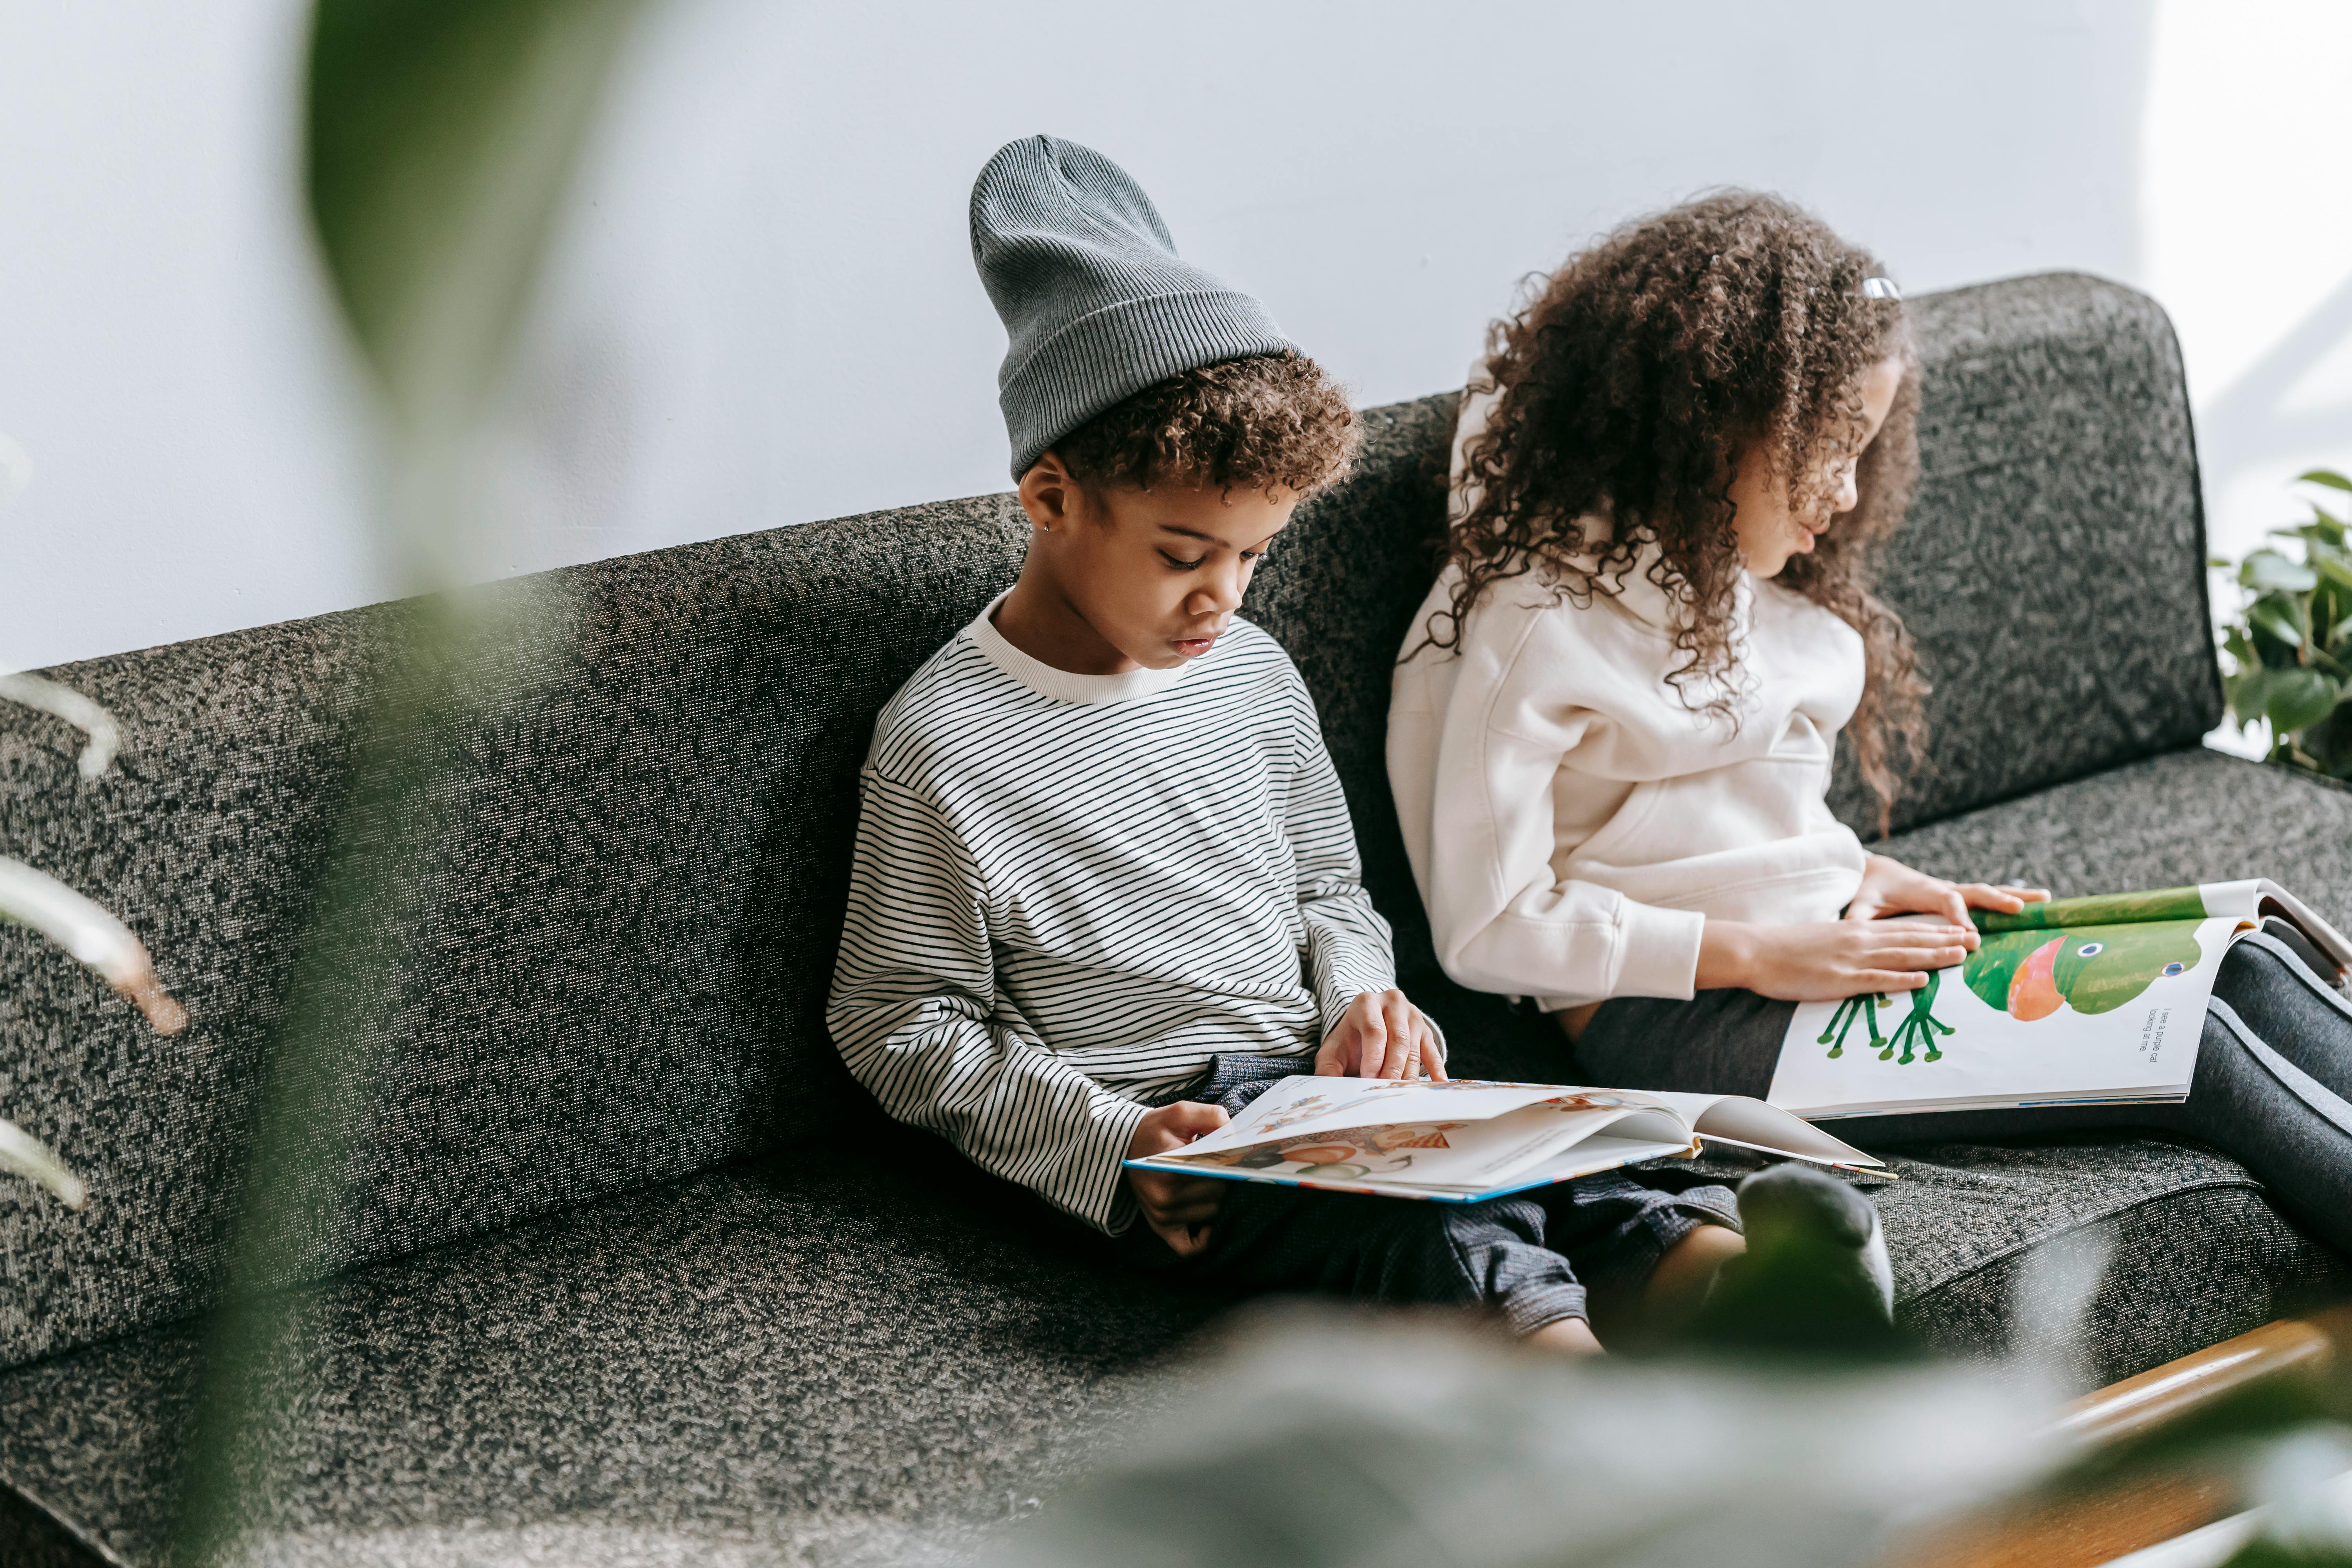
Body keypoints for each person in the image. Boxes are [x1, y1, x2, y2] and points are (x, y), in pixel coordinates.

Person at [827, 140, 1893, 1356]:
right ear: (1053, 499)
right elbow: (900, 1025)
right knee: (1433, 1241)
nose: (1220, 598)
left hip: (1333, 1090)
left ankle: (1770, 1304)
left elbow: (1331, 891)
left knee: (1572, 1165)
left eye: (1254, 556)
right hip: (1173, 1145)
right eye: (1185, 554)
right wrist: (1110, 1140)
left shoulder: (1252, 674)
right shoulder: (944, 742)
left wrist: (1362, 1000)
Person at [1388, 192, 2352, 1250]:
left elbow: (1731, 825)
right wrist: (1760, 951)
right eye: (1830, 445)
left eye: (1865, 449)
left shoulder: (1740, 588)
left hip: (1813, 952)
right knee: (2190, 1043)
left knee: (2248, 965)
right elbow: (1486, 929)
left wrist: (1855, 879)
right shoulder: (1528, 625)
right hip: (1675, 1023)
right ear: (1710, 417)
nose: (1847, 494)